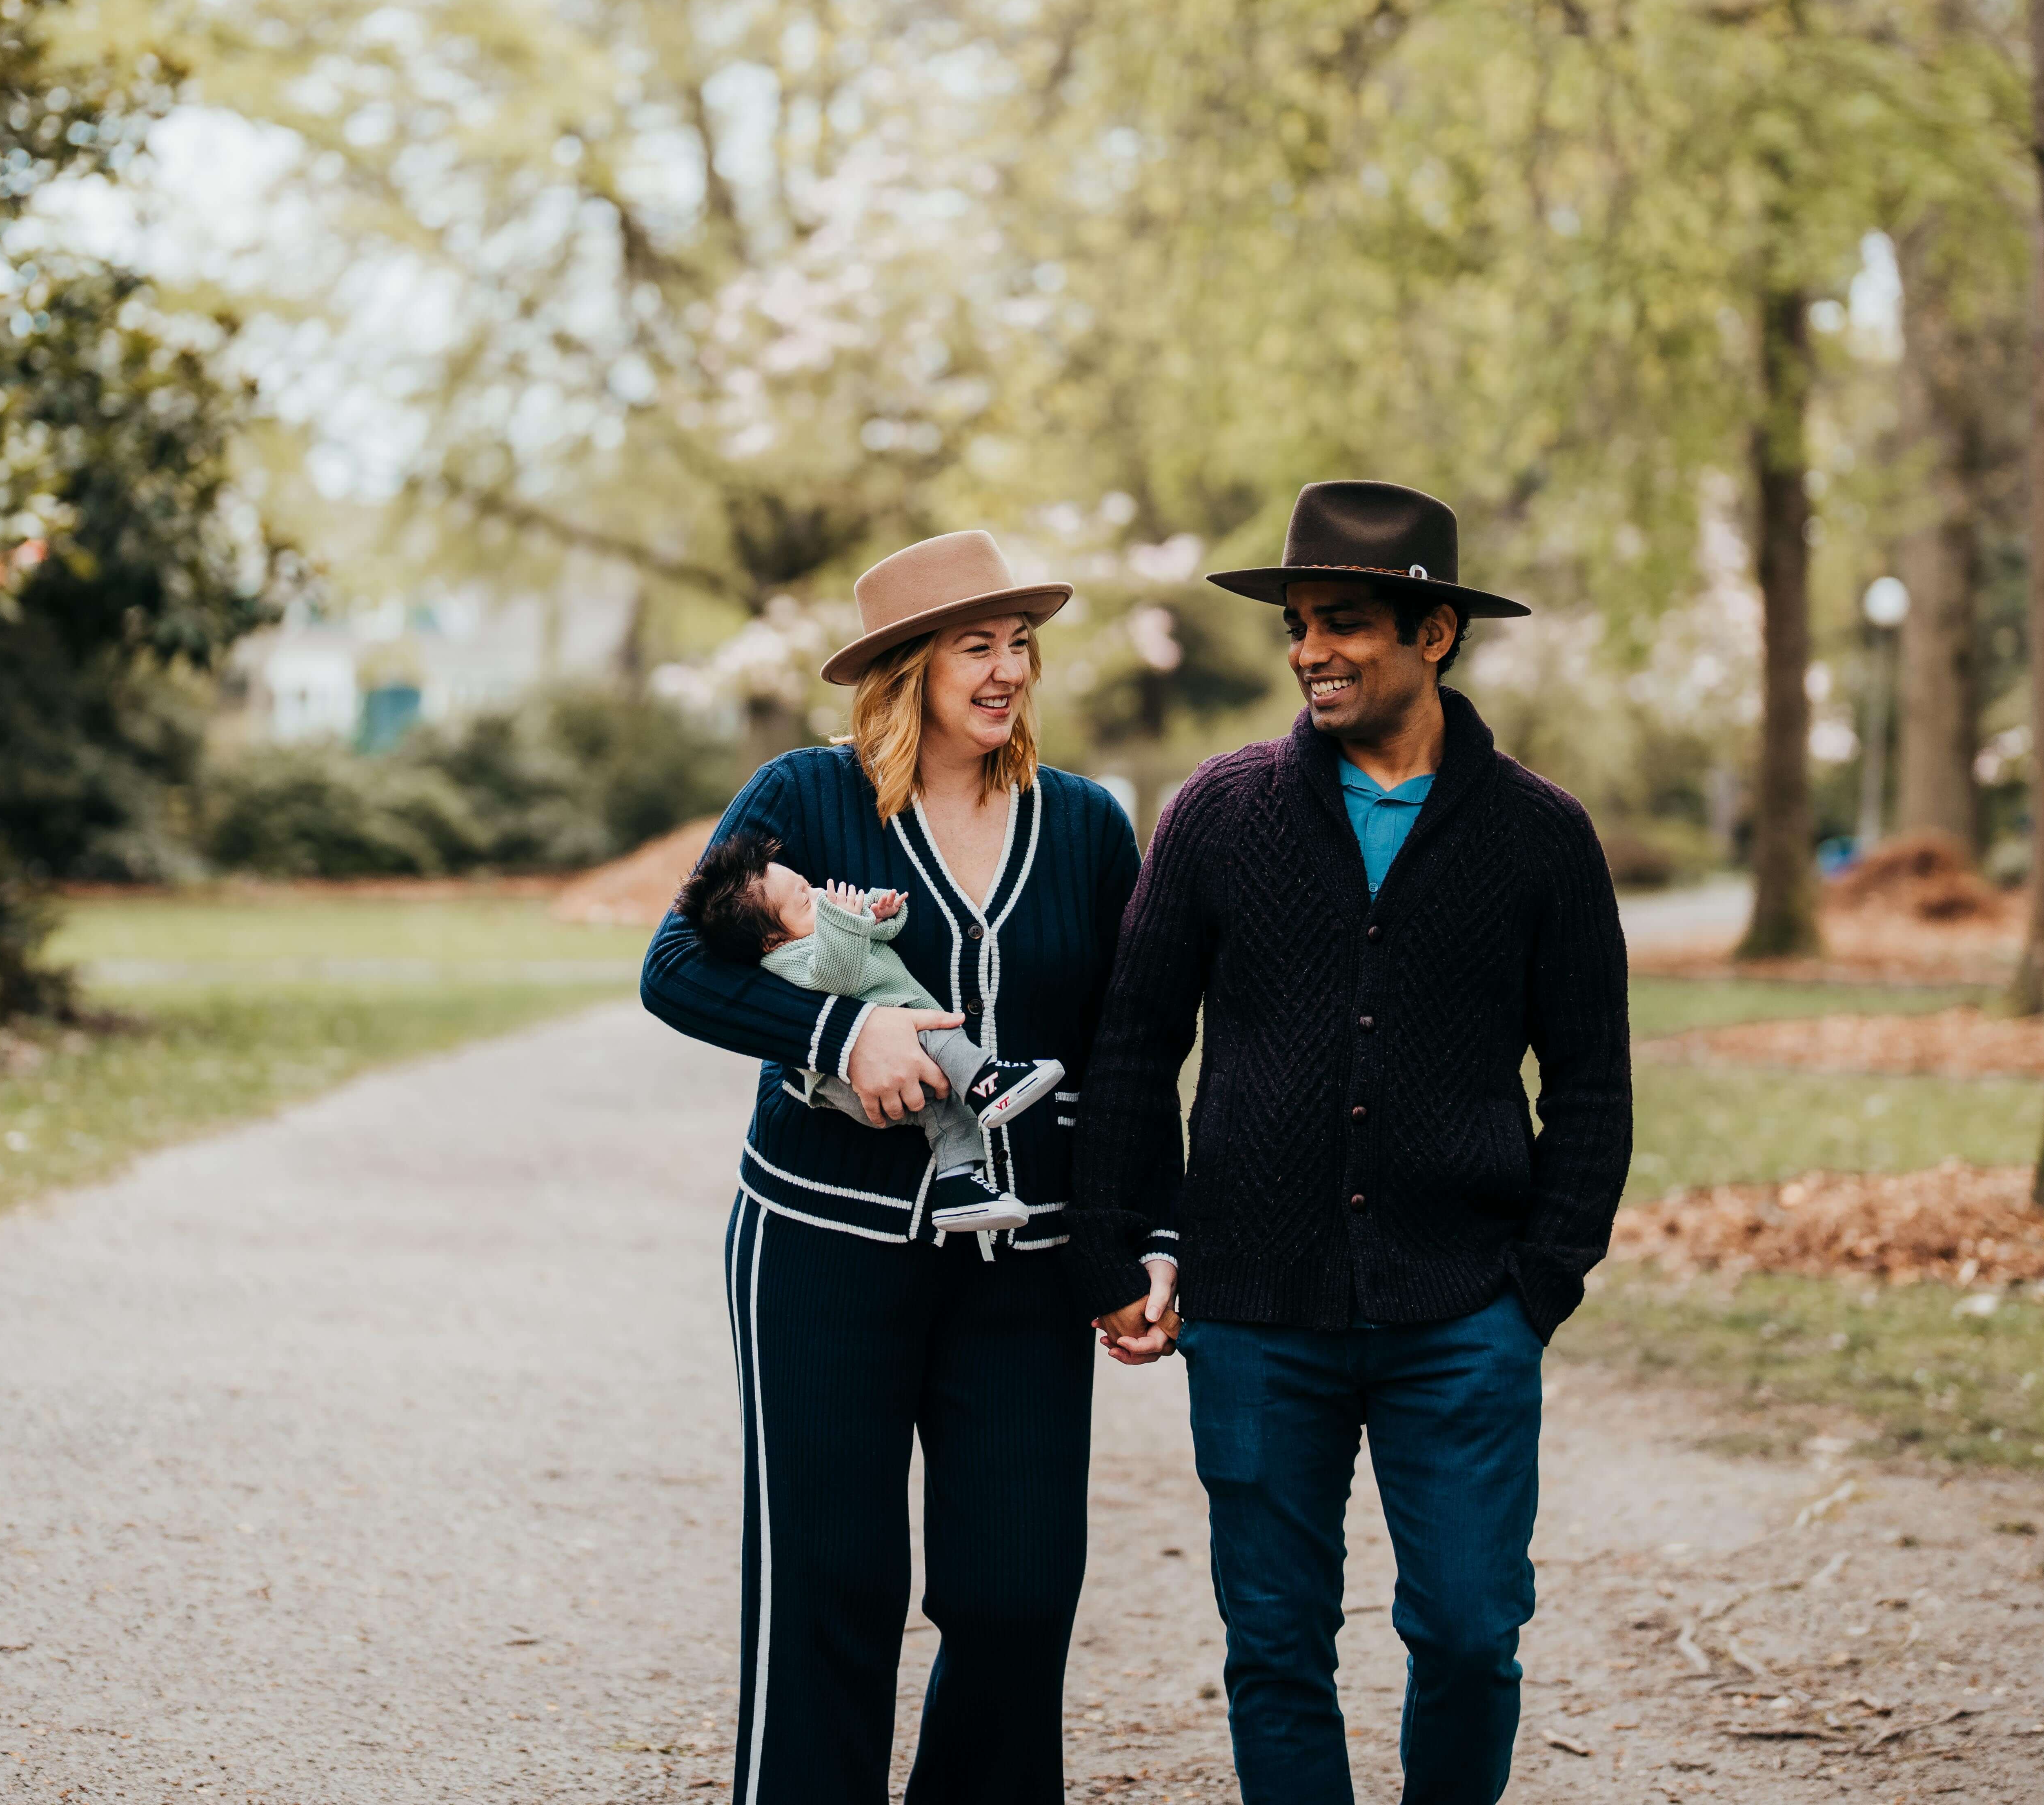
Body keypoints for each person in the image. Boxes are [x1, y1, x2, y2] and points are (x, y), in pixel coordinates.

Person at [1068, 478, 1634, 1805]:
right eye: (1297, 623)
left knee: (1469, 1635)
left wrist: (1539, 1281)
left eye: (1346, 621)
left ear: (1433, 633)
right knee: (1274, 1650)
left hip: (1465, 1311)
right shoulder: (1219, 813)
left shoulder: (1542, 837)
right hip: (1257, 1311)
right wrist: (1114, 1248)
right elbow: (1136, 1048)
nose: (1310, 648)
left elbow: (1594, 1085)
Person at [641, 527, 1143, 1805]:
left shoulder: (1083, 825)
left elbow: (1125, 1050)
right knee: (833, 1581)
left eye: (1019, 644)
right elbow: (677, 965)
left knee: (1017, 1590)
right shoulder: (802, 799)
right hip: (820, 1250)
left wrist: (1135, 1234)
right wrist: (836, 1028)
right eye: (974, 645)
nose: (1006, 670)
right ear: (906, 666)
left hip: (1021, 1261)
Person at [667, 834, 1068, 1231]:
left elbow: (870, 937)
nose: (822, 894)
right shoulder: (787, 959)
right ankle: (988, 1082)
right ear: (773, 941)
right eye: (806, 898)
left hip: (895, 1063)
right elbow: (835, 975)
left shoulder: (816, 931)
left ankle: (958, 1188)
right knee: (939, 1036)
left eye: (809, 883)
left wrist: (878, 911)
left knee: (949, 1115)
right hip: (857, 1078)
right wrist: (843, 921)